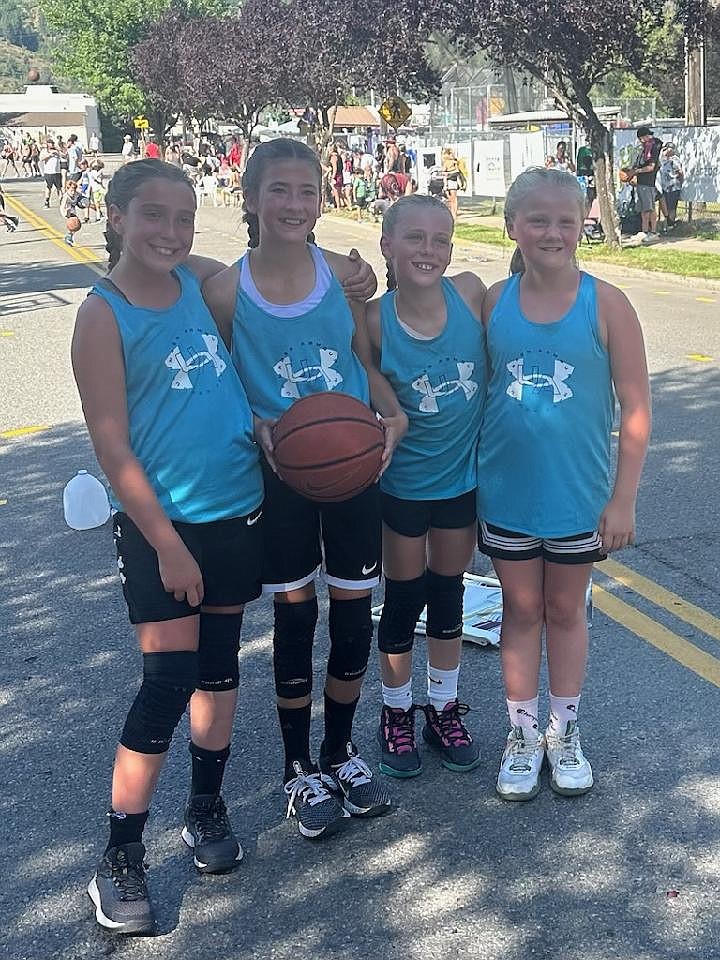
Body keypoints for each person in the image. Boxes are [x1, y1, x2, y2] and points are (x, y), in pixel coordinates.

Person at [72, 159, 267, 935]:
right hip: (166, 528)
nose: (171, 231)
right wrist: (165, 543)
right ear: (114, 216)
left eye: (184, 219)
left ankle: (205, 806)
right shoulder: (103, 313)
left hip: (235, 509)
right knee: (166, 682)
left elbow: (264, 273)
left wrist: (342, 268)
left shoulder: (193, 282)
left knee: (219, 671)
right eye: (153, 215)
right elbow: (112, 448)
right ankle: (120, 854)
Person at [202, 138, 399, 841]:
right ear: (249, 198)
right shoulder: (226, 290)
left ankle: (339, 751)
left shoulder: (343, 274)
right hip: (284, 474)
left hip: (352, 466)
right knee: (294, 615)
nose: (293, 203)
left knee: (352, 616)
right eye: (277, 190)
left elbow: (361, 360)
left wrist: (391, 412)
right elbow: (217, 378)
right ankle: (296, 768)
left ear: (322, 199)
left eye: (305, 191)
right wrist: (255, 423)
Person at [477, 167, 651, 802]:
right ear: (513, 226)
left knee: (565, 610)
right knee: (521, 611)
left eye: (566, 221)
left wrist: (623, 496)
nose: (553, 232)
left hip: (578, 496)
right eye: (538, 220)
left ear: (584, 226)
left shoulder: (605, 304)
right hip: (506, 493)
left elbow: (635, 407)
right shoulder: (493, 302)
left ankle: (564, 729)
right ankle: (522, 734)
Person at [363, 195, 487, 778]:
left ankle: (442, 705)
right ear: (387, 244)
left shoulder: (468, 293)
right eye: (414, 238)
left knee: (449, 591)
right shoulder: (372, 318)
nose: (429, 250)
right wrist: (390, 406)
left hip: (459, 481)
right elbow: (362, 371)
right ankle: (395, 711)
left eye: (441, 239)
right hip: (404, 484)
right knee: (404, 596)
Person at [631, 126, 662, 241]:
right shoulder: (644, 150)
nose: (641, 141)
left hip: (648, 183)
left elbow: (651, 167)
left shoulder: (653, 148)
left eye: (641, 139)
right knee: (643, 209)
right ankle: (644, 231)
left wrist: (637, 171)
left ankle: (653, 232)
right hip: (641, 182)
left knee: (650, 208)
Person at [658, 143, 684, 231]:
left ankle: (671, 225)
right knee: (665, 206)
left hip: (673, 187)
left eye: (668, 149)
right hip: (664, 187)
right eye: (665, 149)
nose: (666, 151)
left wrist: (680, 182)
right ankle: (666, 223)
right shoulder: (663, 160)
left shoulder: (675, 160)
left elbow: (680, 172)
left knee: (672, 207)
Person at [441, 147, 464, 221]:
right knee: (452, 198)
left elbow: (444, 173)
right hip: (452, 180)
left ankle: (453, 214)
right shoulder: (454, 162)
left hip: (450, 181)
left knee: (452, 198)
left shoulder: (448, 162)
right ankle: (453, 213)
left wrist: (445, 185)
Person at [59, 177, 82, 245]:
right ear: (68, 189)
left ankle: (69, 237)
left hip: (73, 210)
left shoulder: (76, 194)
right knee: (74, 224)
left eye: (74, 189)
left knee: (76, 226)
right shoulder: (66, 197)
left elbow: (81, 198)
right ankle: (68, 238)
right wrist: (66, 214)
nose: (73, 191)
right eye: (71, 190)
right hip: (67, 211)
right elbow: (62, 206)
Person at [40, 139, 62, 206]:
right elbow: (41, 159)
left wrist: (58, 152)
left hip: (57, 172)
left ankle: (61, 200)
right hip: (48, 172)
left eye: (52, 143)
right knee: (49, 187)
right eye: (50, 143)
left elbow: (63, 156)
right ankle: (47, 201)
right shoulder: (44, 151)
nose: (52, 144)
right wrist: (49, 155)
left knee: (59, 187)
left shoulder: (56, 150)